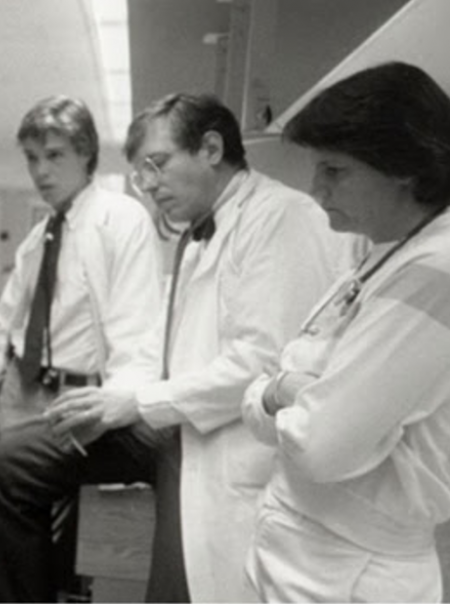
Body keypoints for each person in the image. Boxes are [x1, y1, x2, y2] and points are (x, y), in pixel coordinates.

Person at [46, 93, 346, 601]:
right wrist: (118, 398)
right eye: (140, 174)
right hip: (185, 435)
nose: (148, 185)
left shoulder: (283, 217)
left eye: (156, 164)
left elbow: (262, 363)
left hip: (235, 453)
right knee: (20, 461)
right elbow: (166, 343)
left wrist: (138, 403)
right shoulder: (198, 234)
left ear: (210, 148)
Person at [241, 62, 450, 602]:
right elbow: (272, 400)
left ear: (403, 168)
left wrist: (280, 389)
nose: (316, 189)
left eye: (334, 170)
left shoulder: (437, 272)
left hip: (351, 569)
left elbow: (321, 446)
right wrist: (290, 389)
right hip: (308, 551)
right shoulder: (384, 253)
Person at [0, 95, 164, 602]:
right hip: (22, 387)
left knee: (62, 529)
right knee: (8, 512)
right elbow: (4, 327)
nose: (40, 171)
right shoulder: (38, 237)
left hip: (78, 396)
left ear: (86, 154)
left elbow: (137, 332)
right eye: (32, 158)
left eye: (54, 155)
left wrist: (116, 408)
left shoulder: (121, 218)